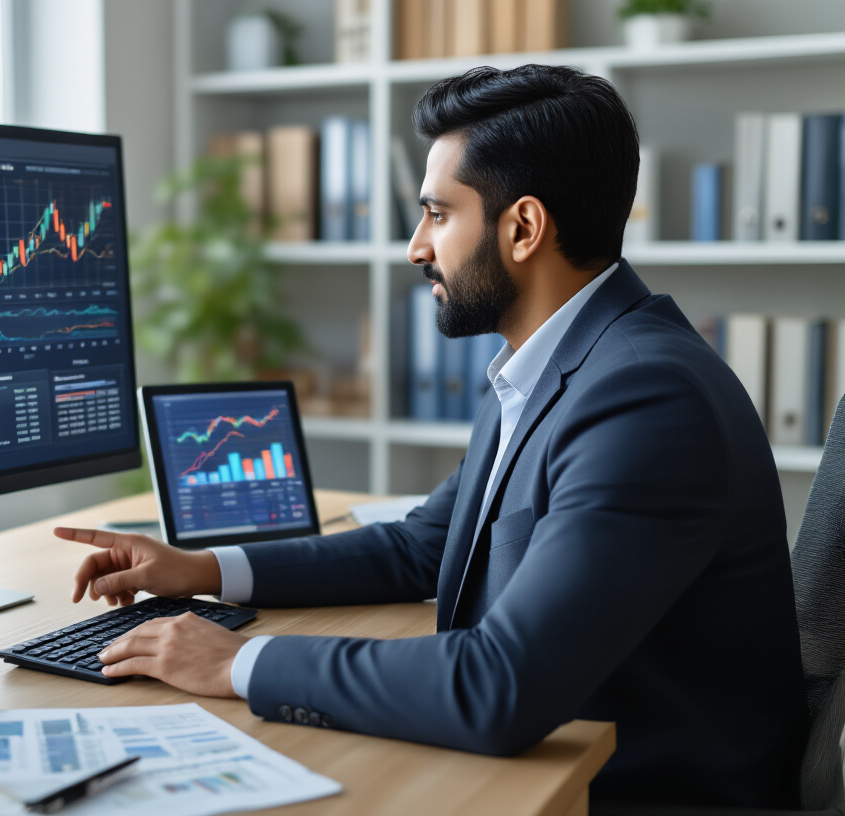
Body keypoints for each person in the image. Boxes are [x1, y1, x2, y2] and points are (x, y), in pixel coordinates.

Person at [54, 64, 808, 808]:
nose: (417, 247)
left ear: (523, 227)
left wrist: (242, 662)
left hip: (630, 793)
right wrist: (203, 570)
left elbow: (499, 685)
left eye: (438, 215)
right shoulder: (556, 361)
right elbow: (420, 545)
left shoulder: (644, 397)